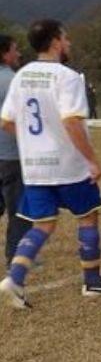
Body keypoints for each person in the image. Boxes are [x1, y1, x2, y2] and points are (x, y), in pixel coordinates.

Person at [0, 19, 101, 308]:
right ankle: (93, 281)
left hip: (36, 167)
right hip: (68, 164)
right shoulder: (67, 77)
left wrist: (33, 143)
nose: (69, 42)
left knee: (43, 224)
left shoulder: (21, 76)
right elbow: (72, 121)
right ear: (55, 42)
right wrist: (92, 160)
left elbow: (6, 121)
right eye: (65, 37)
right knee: (87, 215)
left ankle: (15, 278)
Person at [0, 35, 32, 268]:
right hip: (12, 155)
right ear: (5, 53)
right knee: (19, 209)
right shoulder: (14, 81)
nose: (19, 53)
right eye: (15, 49)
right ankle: (16, 257)